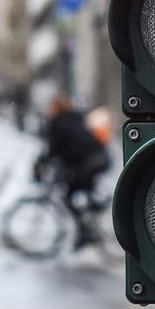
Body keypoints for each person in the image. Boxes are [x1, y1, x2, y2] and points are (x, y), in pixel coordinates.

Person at [37, 95, 112, 249]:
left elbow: (54, 149)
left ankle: (86, 231)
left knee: (69, 194)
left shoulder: (59, 122)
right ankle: (90, 219)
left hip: (91, 162)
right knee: (76, 190)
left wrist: (39, 164)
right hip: (98, 159)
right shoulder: (71, 119)